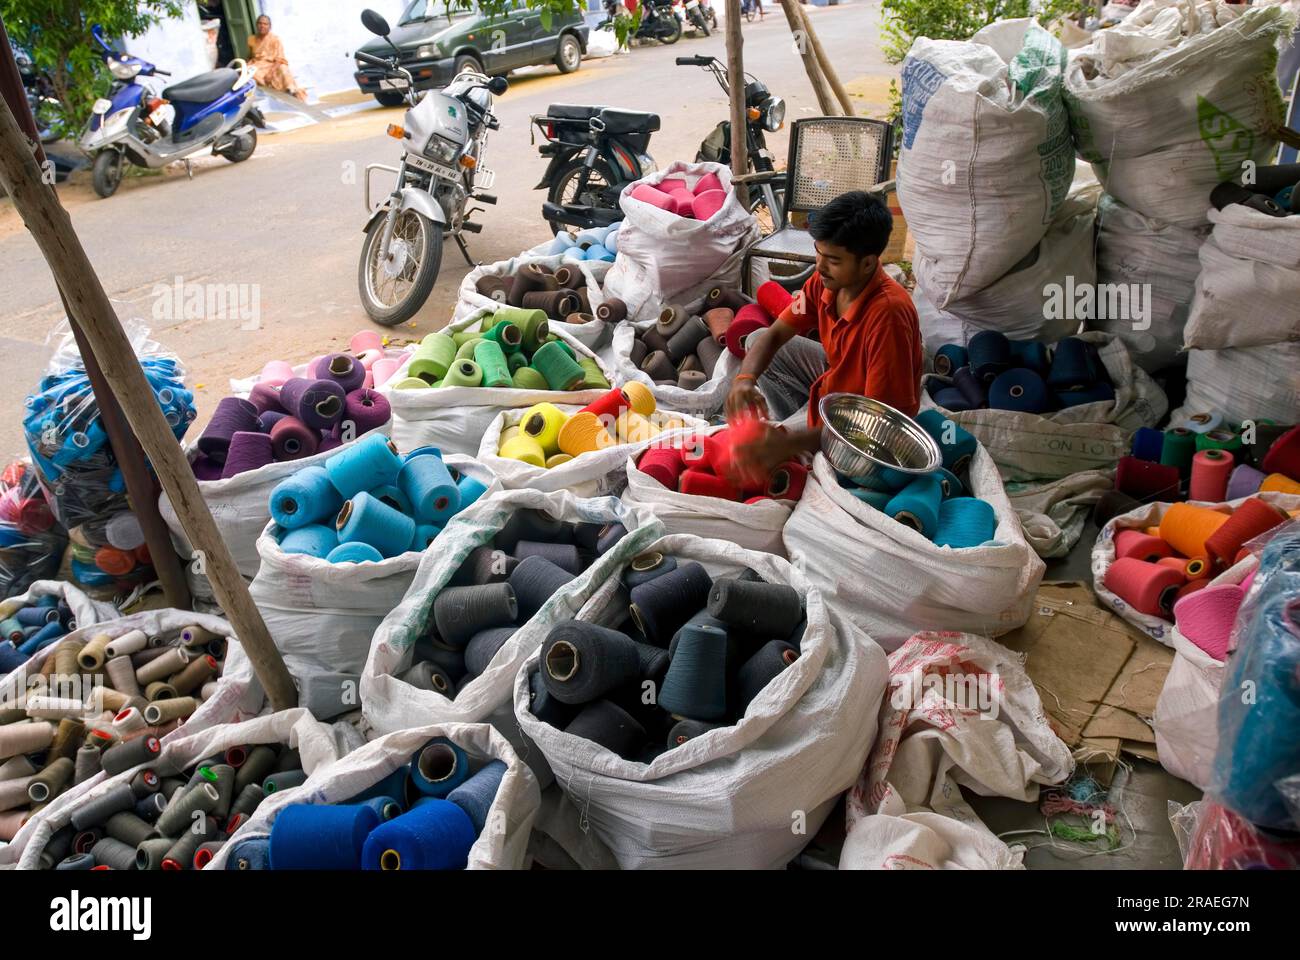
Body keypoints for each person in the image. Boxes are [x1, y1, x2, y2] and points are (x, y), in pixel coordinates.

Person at [725, 189, 922, 480]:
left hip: (866, 423)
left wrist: (790, 442)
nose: (819, 266)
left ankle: (798, 442)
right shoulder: (825, 283)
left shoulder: (888, 315)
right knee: (756, 339)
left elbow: (881, 426)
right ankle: (794, 433)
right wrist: (743, 381)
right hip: (834, 385)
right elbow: (776, 335)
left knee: (771, 454)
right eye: (818, 253)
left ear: (868, 263)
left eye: (833, 259)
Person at [247, 15, 307, 101]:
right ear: (256, 25)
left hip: (273, 64)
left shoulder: (275, 39)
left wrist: (270, 73)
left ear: (269, 26)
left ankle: (291, 90)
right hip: (259, 65)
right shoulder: (251, 39)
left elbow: (280, 58)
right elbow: (250, 55)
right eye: (260, 23)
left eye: (265, 24)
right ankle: (271, 90)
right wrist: (246, 64)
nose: (262, 26)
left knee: (284, 69)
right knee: (249, 70)